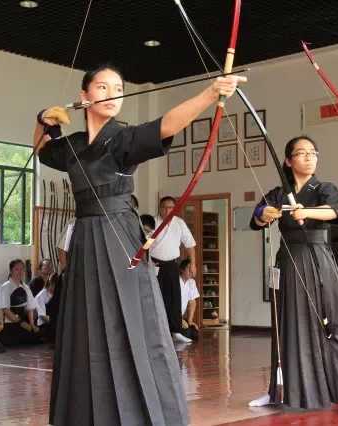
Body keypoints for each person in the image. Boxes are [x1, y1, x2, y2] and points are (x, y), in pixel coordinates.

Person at [35, 63, 245, 426]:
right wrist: (42, 120)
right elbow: (41, 151)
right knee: (86, 322)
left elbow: (166, 123)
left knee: (128, 318)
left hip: (118, 234)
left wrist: (212, 94)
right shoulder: (73, 145)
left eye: (118, 88)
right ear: (84, 96)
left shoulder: (124, 137)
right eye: (102, 87)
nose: (112, 94)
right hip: (85, 236)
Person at [249, 136, 338, 417]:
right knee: (283, 325)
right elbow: (255, 218)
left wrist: (305, 210)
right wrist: (266, 213)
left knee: (334, 322)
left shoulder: (325, 188)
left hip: (317, 256)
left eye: (313, 152)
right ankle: (278, 390)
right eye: (301, 153)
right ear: (288, 161)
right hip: (288, 260)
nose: (309, 157)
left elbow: (332, 212)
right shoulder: (279, 192)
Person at [151, 196, 197, 343]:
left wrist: (193, 264)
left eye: (171, 207)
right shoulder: (153, 222)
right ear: (160, 208)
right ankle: (157, 331)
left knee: (174, 297)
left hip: (171, 265)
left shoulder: (179, 223)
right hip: (154, 265)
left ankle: (176, 330)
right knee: (156, 297)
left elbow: (189, 245)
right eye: (164, 207)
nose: (167, 210)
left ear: (175, 209)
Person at [0, 259, 41, 345]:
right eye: (17, 269)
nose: (20, 272)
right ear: (11, 271)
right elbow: (6, 310)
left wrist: (32, 324)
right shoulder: (5, 287)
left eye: (22, 269)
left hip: (23, 322)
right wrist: (21, 323)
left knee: (37, 337)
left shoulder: (26, 287)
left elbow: (30, 308)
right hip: (10, 324)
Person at [179, 258, 200, 341]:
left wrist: (190, 321)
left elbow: (192, 302)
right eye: (188, 268)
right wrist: (178, 319)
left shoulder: (191, 282)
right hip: (171, 317)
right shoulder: (175, 281)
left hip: (180, 318)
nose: (191, 270)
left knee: (194, 333)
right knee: (186, 334)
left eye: (192, 268)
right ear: (181, 270)